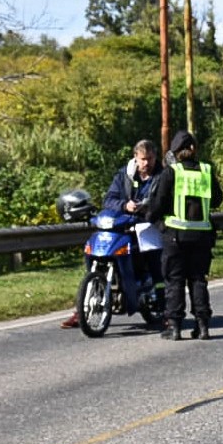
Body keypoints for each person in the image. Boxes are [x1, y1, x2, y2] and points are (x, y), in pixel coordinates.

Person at [60, 140, 164, 329]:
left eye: (150, 159)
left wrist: (147, 208)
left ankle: (164, 306)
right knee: (95, 253)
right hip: (122, 224)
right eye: (143, 159)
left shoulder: (162, 176)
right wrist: (125, 206)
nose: (146, 163)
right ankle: (84, 307)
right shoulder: (124, 175)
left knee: (154, 259)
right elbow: (109, 199)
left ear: (156, 157)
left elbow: (164, 200)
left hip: (149, 225)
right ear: (135, 157)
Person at [147, 130, 223, 341]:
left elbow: (157, 203)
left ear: (175, 152)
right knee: (198, 280)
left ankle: (174, 327)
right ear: (193, 149)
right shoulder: (206, 171)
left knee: (175, 282)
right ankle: (203, 325)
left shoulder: (171, 172)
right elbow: (217, 199)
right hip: (202, 237)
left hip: (175, 237)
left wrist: (155, 219)